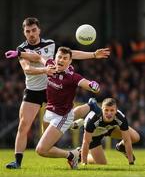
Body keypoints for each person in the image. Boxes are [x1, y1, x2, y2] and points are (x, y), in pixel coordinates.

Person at [5, 17, 110, 169]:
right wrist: (44, 70)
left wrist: (93, 54)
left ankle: (76, 122)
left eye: (34, 30)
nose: (32, 34)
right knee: (24, 125)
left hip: (52, 89)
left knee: (62, 115)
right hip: (34, 91)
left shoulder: (50, 44)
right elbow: (27, 69)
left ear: (39, 30)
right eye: (28, 31)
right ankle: (17, 162)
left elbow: (70, 53)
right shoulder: (21, 49)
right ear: (24, 33)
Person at [19, 46, 100, 169]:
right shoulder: (50, 65)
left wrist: (93, 85)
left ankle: (72, 155)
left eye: (65, 58)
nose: (61, 60)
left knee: (41, 150)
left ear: (70, 61)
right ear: (55, 57)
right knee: (47, 143)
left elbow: (85, 83)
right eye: (59, 57)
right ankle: (77, 121)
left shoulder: (72, 77)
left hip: (62, 116)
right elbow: (38, 56)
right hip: (49, 111)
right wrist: (18, 53)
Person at [71, 98, 140, 165]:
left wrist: (131, 163)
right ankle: (79, 155)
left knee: (135, 137)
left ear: (116, 110)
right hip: (94, 135)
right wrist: (84, 163)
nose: (109, 113)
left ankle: (121, 147)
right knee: (102, 163)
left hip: (109, 129)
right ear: (102, 110)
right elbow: (86, 142)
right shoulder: (93, 119)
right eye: (106, 110)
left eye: (112, 110)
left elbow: (127, 140)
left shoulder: (120, 117)